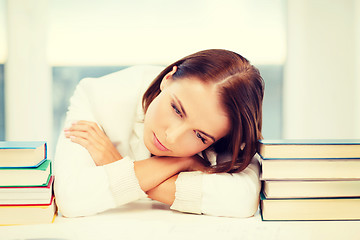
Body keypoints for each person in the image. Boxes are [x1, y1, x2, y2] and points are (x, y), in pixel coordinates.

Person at [54, 49, 264, 218]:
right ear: (168, 78)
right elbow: (70, 197)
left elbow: (242, 199)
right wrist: (179, 162)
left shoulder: (230, 129)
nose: (172, 137)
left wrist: (115, 164)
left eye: (200, 136)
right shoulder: (97, 95)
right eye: (176, 110)